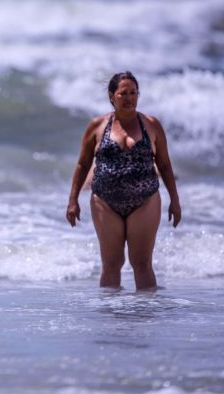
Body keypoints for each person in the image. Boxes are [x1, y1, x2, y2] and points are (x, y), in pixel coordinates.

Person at [66, 71, 181, 291]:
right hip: (105, 201)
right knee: (111, 264)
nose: (129, 98)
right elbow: (82, 164)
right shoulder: (97, 126)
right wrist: (73, 201)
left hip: (145, 200)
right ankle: (111, 318)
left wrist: (175, 201)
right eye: (123, 93)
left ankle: (145, 316)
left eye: (133, 93)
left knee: (142, 264)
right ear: (112, 96)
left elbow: (165, 165)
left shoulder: (151, 124)